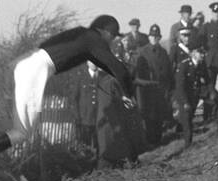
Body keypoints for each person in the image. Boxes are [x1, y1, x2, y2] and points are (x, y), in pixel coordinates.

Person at [9, 15, 134, 147]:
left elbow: (108, 67)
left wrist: (127, 85)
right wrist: (128, 94)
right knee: (21, 132)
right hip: (36, 70)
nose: (111, 41)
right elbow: (118, 68)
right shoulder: (95, 39)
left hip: (28, 63)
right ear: (106, 32)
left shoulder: (84, 36)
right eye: (112, 37)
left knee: (18, 130)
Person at [132, 24, 174, 146]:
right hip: (148, 89)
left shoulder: (163, 52)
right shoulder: (143, 52)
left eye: (156, 37)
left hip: (161, 89)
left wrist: (169, 87)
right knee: (150, 116)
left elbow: (168, 70)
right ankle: (151, 140)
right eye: (152, 36)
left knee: (159, 114)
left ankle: (159, 139)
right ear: (149, 37)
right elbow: (139, 72)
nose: (154, 39)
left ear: (159, 38)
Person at [74, 62, 103, 155]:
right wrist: (77, 116)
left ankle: (98, 165)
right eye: (91, 61)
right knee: (84, 144)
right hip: (84, 118)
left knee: (99, 143)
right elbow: (74, 99)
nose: (94, 63)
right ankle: (85, 165)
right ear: (87, 63)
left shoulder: (102, 77)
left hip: (99, 117)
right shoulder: (80, 77)